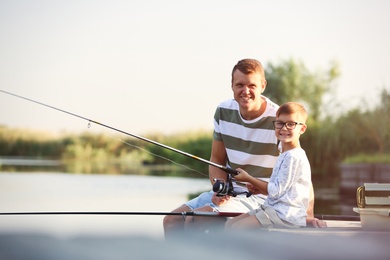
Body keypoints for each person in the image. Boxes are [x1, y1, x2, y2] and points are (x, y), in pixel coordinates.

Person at [163, 59, 325, 237]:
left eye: (252, 85)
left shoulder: (279, 121)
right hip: (230, 193)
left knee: (196, 219)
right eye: (239, 84)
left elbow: (300, 174)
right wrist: (220, 190)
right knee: (172, 220)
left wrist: (306, 216)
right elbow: (217, 160)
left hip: (262, 198)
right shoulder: (223, 111)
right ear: (232, 86)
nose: (245, 91)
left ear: (263, 86)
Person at [225, 102, 311, 230]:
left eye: (291, 124)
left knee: (237, 227)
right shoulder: (284, 152)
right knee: (230, 224)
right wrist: (260, 189)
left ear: (302, 129)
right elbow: (281, 191)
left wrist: (249, 178)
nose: (284, 128)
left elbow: (275, 192)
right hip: (273, 209)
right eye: (280, 123)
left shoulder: (293, 156)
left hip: (285, 215)